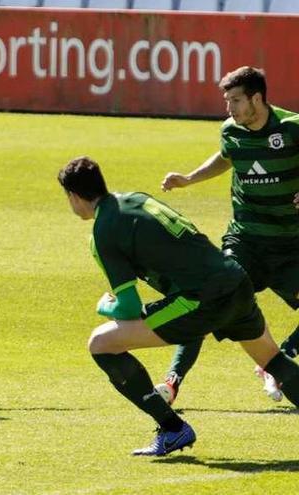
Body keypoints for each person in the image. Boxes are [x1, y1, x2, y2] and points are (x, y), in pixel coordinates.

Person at [59, 156, 299, 456]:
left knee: (101, 343)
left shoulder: (104, 230)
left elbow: (129, 308)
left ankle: (173, 429)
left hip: (202, 297)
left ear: (73, 196)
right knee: (273, 360)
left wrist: (106, 306)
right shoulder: (137, 199)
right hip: (235, 279)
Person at [159, 66, 299, 404]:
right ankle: (171, 382)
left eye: (236, 100)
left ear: (257, 98)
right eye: (227, 101)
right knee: (210, 299)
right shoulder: (230, 131)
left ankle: (278, 360)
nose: (229, 108)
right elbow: (226, 158)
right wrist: (189, 179)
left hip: (290, 246)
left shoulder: (292, 128)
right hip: (246, 241)